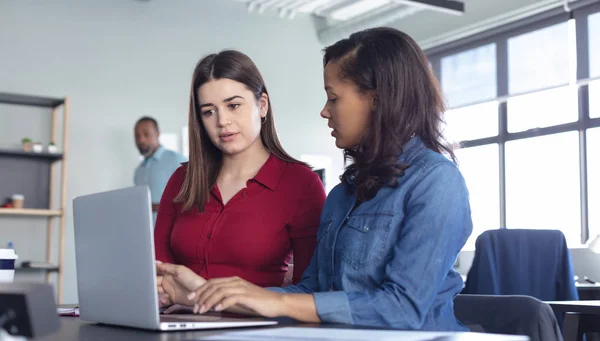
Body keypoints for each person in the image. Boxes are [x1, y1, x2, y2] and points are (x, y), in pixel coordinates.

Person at [157, 27, 472, 331]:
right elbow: (309, 294)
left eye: (333, 98)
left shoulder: (437, 182)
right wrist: (208, 296)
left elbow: (402, 309)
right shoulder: (342, 195)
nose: (324, 111)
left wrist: (269, 300)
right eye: (208, 111)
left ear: (376, 100)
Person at [154, 50, 326, 308]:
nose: (222, 121)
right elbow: (158, 270)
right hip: (175, 326)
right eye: (209, 112)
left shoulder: (301, 184)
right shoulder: (182, 179)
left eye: (233, 105)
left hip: (257, 330)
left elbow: (310, 294)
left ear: (262, 105)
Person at [133, 116, 187, 224]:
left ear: (157, 134)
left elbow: (193, 199)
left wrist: (155, 207)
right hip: (146, 235)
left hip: (172, 235)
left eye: (146, 134)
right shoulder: (138, 171)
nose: (141, 140)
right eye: (137, 136)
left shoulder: (177, 160)